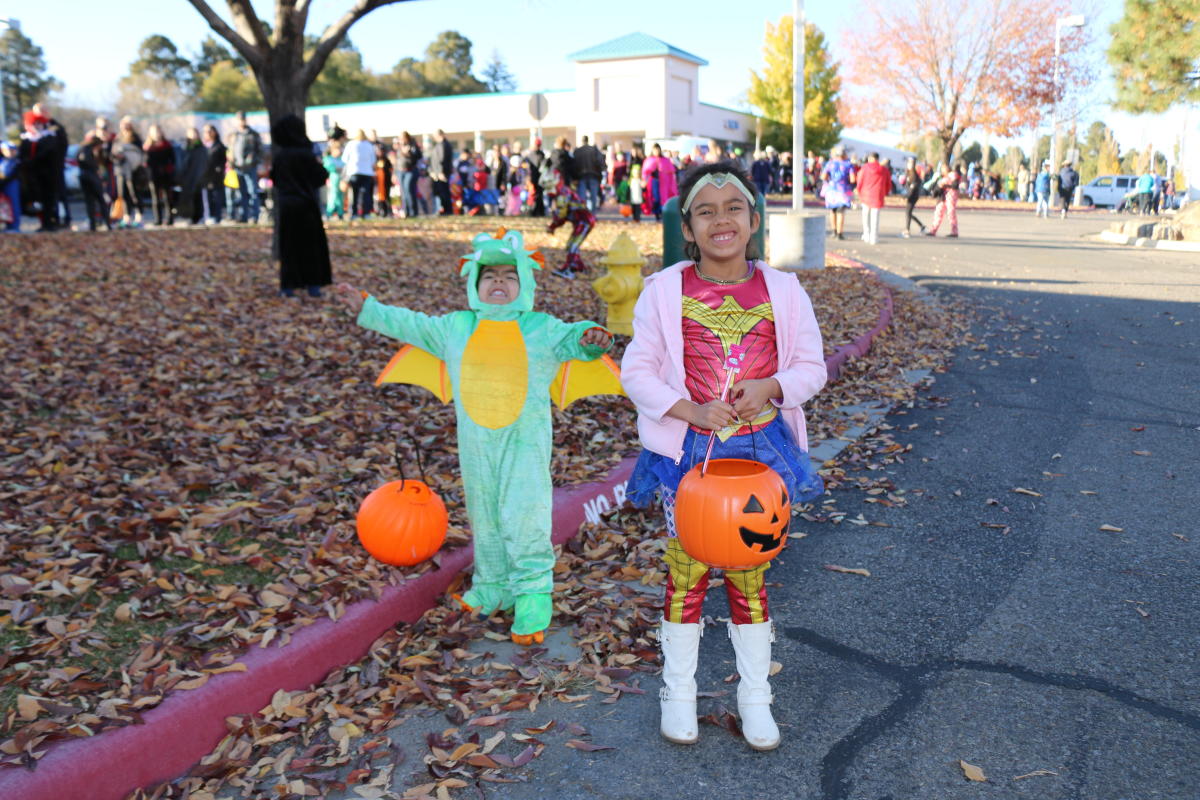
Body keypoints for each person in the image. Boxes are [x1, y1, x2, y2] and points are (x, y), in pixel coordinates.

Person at [621, 161, 826, 752]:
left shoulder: (784, 291)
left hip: (761, 452)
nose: (721, 220)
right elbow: (636, 370)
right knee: (686, 570)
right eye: (705, 211)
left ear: (754, 219)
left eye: (733, 207)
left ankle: (754, 696)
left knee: (748, 571)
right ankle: (677, 693)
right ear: (688, 228)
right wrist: (687, 409)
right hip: (688, 455)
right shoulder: (664, 290)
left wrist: (772, 388)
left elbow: (810, 366)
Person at [335, 228, 614, 644]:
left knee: (524, 515)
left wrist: (590, 337)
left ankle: (533, 592)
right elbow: (410, 324)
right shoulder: (455, 328)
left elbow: (575, 339)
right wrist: (369, 309)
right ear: (473, 283)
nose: (498, 282)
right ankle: (492, 585)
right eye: (489, 276)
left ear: (525, 284)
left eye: (509, 275)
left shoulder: (540, 328)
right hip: (477, 445)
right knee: (485, 515)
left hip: (524, 442)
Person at [270, 115, 332, 298]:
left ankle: (288, 286)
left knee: (289, 246)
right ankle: (313, 284)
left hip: (288, 204)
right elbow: (320, 177)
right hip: (306, 204)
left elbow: (275, 178)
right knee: (310, 245)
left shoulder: (281, 156)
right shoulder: (306, 154)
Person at [541, 167, 595, 278]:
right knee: (572, 244)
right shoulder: (563, 191)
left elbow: (561, 215)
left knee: (573, 245)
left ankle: (570, 269)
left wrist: (552, 226)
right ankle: (578, 267)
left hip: (584, 221)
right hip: (582, 220)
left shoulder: (562, 195)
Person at [18, 111, 61, 232]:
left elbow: (49, 153)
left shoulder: (50, 138)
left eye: (39, 124)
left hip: (48, 175)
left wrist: (33, 160)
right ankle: (43, 222)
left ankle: (50, 223)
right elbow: (22, 156)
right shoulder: (26, 140)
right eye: (35, 124)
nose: (37, 126)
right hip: (31, 177)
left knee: (49, 199)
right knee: (37, 200)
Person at [229, 111, 264, 223]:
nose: (241, 121)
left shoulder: (253, 134)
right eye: (239, 119)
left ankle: (254, 216)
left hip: (250, 168)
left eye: (243, 119)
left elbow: (260, 150)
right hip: (238, 168)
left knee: (252, 192)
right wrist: (231, 162)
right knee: (241, 193)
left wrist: (254, 161)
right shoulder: (234, 135)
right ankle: (244, 216)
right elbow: (230, 150)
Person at [111, 116, 145, 228]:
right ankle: (126, 217)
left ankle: (139, 217)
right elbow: (112, 154)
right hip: (121, 171)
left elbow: (140, 154)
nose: (125, 126)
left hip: (134, 170)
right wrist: (117, 156)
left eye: (127, 124)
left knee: (135, 194)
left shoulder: (135, 138)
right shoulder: (118, 138)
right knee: (123, 194)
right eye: (123, 124)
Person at [75, 135, 111, 231]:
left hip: (83, 177)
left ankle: (93, 225)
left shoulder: (81, 148)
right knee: (101, 200)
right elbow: (87, 161)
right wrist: (96, 169)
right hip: (92, 177)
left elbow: (79, 160)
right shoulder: (89, 150)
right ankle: (107, 223)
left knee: (90, 202)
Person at [143, 124, 176, 226]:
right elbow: (145, 162)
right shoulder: (148, 147)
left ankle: (169, 219)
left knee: (167, 197)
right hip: (153, 175)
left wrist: (169, 169)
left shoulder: (167, 145)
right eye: (154, 132)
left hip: (166, 174)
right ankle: (158, 219)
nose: (157, 134)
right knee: (155, 198)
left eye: (158, 131)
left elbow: (173, 159)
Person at [820, 144, 854, 240]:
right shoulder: (848, 164)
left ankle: (834, 231)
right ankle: (840, 233)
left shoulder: (830, 164)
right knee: (841, 212)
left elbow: (823, 176)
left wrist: (830, 180)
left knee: (832, 211)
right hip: (842, 190)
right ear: (844, 154)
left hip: (831, 190)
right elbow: (852, 179)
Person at [856, 152, 890, 245]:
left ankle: (866, 235)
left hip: (865, 194)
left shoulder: (865, 168)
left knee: (865, 216)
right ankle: (874, 237)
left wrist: (859, 191)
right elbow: (888, 183)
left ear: (871, 158)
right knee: (875, 217)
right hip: (878, 195)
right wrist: (885, 192)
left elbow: (860, 180)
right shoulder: (884, 170)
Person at [342, 129, 376, 220]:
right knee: (366, 194)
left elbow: (344, 159)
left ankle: (354, 213)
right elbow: (373, 160)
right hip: (367, 173)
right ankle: (366, 213)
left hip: (354, 172)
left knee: (354, 194)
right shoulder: (369, 145)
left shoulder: (351, 144)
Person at [641, 143, 678, 222]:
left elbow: (671, 172)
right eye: (655, 150)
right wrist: (645, 180)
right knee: (655, 198)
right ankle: (657, 213)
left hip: (664, 183)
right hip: (653, 182)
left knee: (663, 198)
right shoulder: (649, 160)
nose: (656, 151)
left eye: (657, 149)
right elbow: (645, 172)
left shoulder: (665, 160)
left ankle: (662, 214)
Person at [925, 162, 961, 237]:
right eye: (942, 168)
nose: (943, 170)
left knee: (951, 212)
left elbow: (955, 185)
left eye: (944, 168)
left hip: (950, 196)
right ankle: (933, 230)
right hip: (942, 197)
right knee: (938, 212)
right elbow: (935, 187)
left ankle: (954, 231)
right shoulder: (941, 177)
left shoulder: (952, 175)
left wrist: (945, 185)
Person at [200, 124, 227, 224]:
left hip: (216, 176)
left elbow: (223, 160)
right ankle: (208, 216)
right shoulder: (202, 146)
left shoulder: (219, 146)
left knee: (217, 197)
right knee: (206, 198)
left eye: (209, 131)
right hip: (205, 176)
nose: (208, 133)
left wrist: (218, 169)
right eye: (205, 131)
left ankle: (217, 216)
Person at [573, 135, 604, 212]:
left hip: (581, 176)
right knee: (593, 197)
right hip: (593, 175)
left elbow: (574, 164)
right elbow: (601, 162)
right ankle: (591, 215)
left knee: (582, 197)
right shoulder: (594, 150)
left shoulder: (577, 151)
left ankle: (583, 214)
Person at [394, 131, 422, 217]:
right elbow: (397, 160)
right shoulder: (399, 147)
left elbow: (419, 156)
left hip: (410, 170)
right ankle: (406, 211)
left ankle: (413, 211)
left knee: (409, 190)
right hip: (400, 170)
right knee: (403, 191)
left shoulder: (412, 145)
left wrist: (408, 153)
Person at [429, 129, 454, 215]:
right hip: (438, 172)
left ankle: (447, 210)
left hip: (442, 173)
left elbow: (441, 159)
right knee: (441, 192)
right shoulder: (440, 145)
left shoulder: (444, 145)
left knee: (444, 192)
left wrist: (440, 172)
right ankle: (444, 209)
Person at [899, 157, 926, 237]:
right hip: (910, 194)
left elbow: (913, 188)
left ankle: (907, 230)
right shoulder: (908, 173)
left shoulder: (914, 174)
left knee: (908, 212)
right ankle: (922, 226)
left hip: (913, 196)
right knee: (909, 213)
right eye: (908, 163)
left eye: (910, 163)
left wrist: (906, 197)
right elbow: (907, 185)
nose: (908, 165)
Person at [522, 137, 547, 217]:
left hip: (539, 178)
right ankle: (533, 211)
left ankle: (539, 211)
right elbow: (525, 166)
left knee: (539, 195)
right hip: (532, 178)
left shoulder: (541, 154)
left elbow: (543, 166)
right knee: (533, 195)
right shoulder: (530, 155)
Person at [322, 141, 346, 220]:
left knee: (340, 196)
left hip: (341, 180)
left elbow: (344, 168)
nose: (339, 151)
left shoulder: (341, 160)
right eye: (338, 150)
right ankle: (329, 212)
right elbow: (330, 168)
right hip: (333, 179)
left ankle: (340, 213)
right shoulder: (328, 159)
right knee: (333, 196)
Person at [0, 141, 20, 232]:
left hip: (11, 185)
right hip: (3, 184)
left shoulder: (15, 162)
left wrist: (4, 181)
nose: (11, 153)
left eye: (13, 150)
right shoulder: (2, 160)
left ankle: (14, 226)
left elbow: (12, 174)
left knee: (13, 204)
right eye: (8, 150)